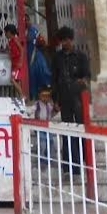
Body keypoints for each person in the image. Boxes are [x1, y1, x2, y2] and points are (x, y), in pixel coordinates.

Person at [51, 26, 91, 173]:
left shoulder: (81, 56)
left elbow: (87, 75)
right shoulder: (57, 58)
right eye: (62, 41)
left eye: (67, 40)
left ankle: (85, 159)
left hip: (78, 97)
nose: (64, 43)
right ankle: (69, 165)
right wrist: (55, 100)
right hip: (64, 97)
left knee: (81, 127)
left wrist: (82, 82)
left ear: (71, 40)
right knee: (67, 129)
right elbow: (54, 79)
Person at [32, 85, 56, 166]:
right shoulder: (37, 105)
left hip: (48, 127)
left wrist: (55, 110)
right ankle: (42, 160)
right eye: (43, 96)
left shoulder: (49, 105)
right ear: (39, 96)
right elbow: (31, 110)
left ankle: (50, 158)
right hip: (39, 127)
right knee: (42, 144)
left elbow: (51, 114)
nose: (45, 98)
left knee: (51, 142)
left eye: (47, 96)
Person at [4, 23, 26, 101]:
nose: (5, 34)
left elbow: (22, 50)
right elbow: (9, 50)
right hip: (14, 64)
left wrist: (20, 62)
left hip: (17, 64)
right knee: (17, 80)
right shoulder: (10, 42)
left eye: (6, 32)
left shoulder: (16, 40)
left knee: (12, 80)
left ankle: (22, 96)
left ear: (9, 32)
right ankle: (20, 97)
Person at [28, 33, 52, 100]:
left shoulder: (36, 54)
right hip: (42, 82)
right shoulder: (41, 56)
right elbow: (45, 71)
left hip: (36, 82)